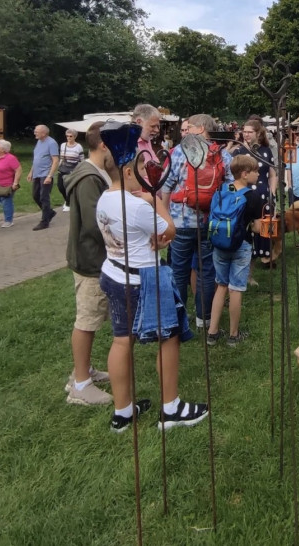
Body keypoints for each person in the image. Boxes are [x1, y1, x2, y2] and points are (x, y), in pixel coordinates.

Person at [97, 151, 208, 432]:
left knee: (122, 340)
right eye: (141, 170)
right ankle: (171, 408)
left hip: (113, 272)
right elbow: (169, 231)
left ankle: (122, 412)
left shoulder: (105, 198)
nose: (147, 175)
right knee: (169, 338)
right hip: (143, 278)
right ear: (126, 172)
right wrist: (155, 200)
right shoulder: (138, 205)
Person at [162, 113, 233, 329]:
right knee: (206, 271)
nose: (186, 131)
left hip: (180, 222)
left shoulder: (179, 152)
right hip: (209, 222)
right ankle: (205, 318)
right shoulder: (222, 155)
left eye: (190, 127)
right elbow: (230, 187)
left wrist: (165, 218)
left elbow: (166, 186)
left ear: (201, 129)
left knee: (179, 271)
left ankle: (179, 318)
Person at [63, 121, 113, 405]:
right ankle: (80, 384)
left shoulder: (95, 172)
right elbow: (97, 224)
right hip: (90, 259)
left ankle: (84, 371)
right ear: (103, 144)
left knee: (91, 318)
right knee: (87, 320)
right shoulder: (88, 177)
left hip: (94, 257)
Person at [206, 155, 264, 347]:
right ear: (245, 174)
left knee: (221, 285)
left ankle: (212, 332)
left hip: (219, 243)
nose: (258, 174)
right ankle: (233, 334)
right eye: (255, 171)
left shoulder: (222, 190)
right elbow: (256, 228)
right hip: (241, 245)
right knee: (236, 288)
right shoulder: (252, 196)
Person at [232, 119, 277, 264]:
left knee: (265, 229)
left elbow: (272, 174)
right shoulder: (239, 151)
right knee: (247, 231)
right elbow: (233, 177)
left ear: (258, 133)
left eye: (249, 132)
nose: (246, 134)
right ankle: (247, 269)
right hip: (246, 196)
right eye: (244, 131)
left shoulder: (266, 150)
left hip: (264, 195)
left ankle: (266, 257)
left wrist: (273, 193)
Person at [27, 124, 59, 231]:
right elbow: (37, 158)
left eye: (37, 131)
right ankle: (49, 212)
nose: (35, 133)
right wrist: (31, 172)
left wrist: (50, 176)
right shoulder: (39, 142)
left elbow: (55, 160)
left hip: (46, 174)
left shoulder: (51, 143)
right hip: (37, 173)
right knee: (35, 196)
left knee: (44, 197)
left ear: (44, 133)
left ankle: (45, 222)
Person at [56, 129, 84, 212]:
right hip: (63, 168)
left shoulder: (78, 147)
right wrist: (58, 167)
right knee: (60, 186)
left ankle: (69, 203)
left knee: (69, 186)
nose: (68, 138)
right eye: (67, 136)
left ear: (75, 137)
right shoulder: (63, 145)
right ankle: (67, 200)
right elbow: (61, 158)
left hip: (73, 169)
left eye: (70, 136)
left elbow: (81, 159)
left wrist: (80, 170)